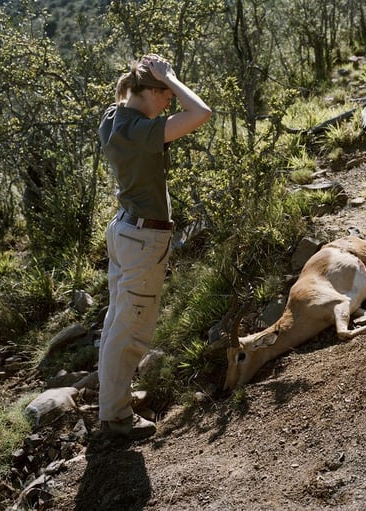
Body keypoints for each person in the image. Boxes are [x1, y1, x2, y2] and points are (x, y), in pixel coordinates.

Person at [97, 54, 212, 437]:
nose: (168, 100)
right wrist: (172, 78)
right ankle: (115, 417)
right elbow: (200, 112)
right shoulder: (139, 131)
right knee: (129, 332)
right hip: (142, 238)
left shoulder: (115, 120)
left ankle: (113, 405)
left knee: (117, 324)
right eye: (163, 93)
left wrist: (158, 79)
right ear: (144, 91)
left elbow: (132, 99)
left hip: (125, 232)